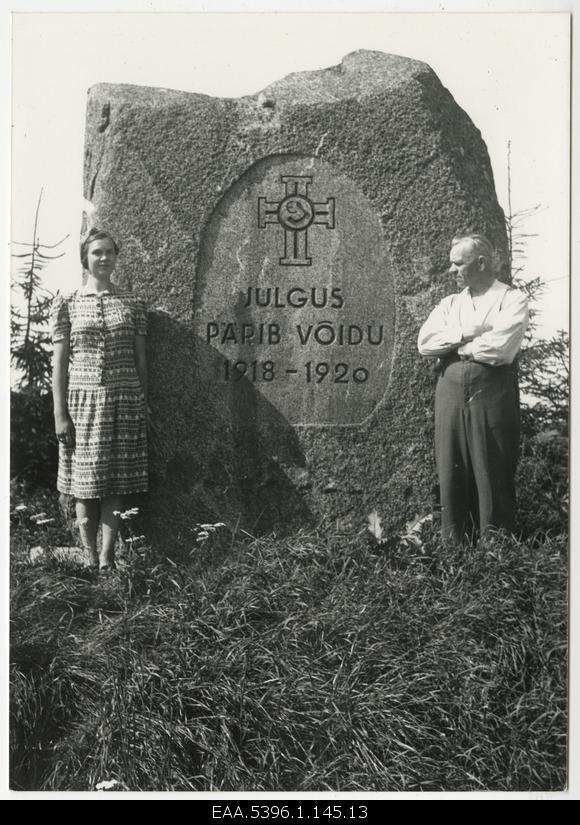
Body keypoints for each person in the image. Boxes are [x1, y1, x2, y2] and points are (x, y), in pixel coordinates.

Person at [417, 233, 529, 544]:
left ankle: (496, 554)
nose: (452, 271)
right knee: (451, 469)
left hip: (492, 392)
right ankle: (454, 551)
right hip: (450, 393)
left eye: (458, 264)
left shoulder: (512, 299)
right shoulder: (450, 304)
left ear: (481, 263)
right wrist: (467, 331)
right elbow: (425, 343)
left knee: (492, 467)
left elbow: (501, 349)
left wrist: (456, 348)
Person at [51, 228, 148, 572]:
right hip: (82, 404)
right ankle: (88, 557)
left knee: (115, 479)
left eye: (109, 252)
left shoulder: (133, 303)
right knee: (85, 483)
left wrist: (142, 401)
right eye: (96, 253)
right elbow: (59, 364)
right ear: (85, 259)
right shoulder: (68, 303)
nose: (103, 258)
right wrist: (59, 414)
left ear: (116, 257)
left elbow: (140, 360)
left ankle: (107, 558)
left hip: (123, 401)